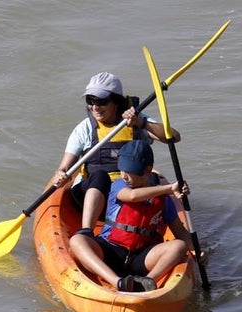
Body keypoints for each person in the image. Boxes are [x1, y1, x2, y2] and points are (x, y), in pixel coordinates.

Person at [50, 72, 180, 240]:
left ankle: (174, 237)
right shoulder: (85, 129)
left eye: (101, 101)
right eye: (90, 101)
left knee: (153, 179)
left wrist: (141, 123)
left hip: (130, 194)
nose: (95, 107)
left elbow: (174, 137)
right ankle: (87, 232)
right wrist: (60, 174)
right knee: (99, 176)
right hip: (97, 198)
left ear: (116, 101)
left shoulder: (136, 120)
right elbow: (64, 168)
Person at [67, 139, 192, 292]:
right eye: (122, 170)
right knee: (77, 240)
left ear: (147, 171)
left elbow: (181, 233)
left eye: (130, 172)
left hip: (142, 257)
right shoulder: (119, 185)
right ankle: (118, 282)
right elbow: (132, 196)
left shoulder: (164, 200)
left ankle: (147, 281)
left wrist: (197, 252)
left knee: (179, 246)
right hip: (111, 249)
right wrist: (170, 188)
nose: (124, 176)